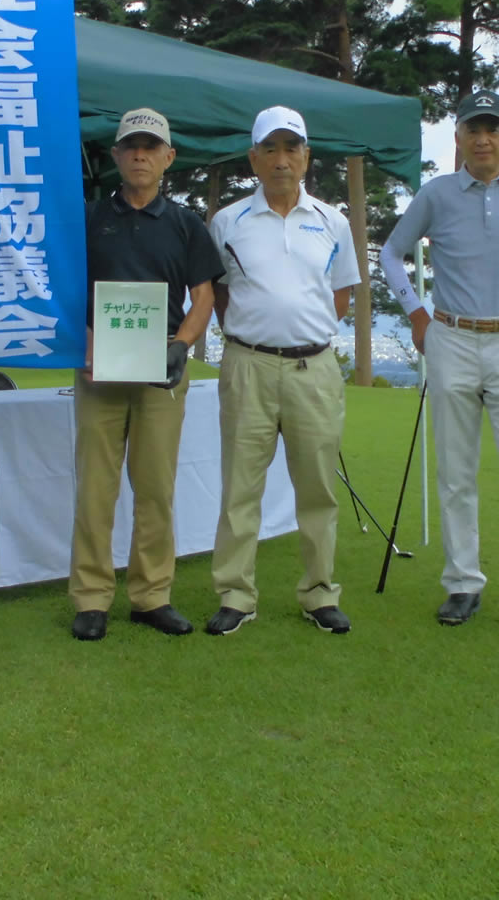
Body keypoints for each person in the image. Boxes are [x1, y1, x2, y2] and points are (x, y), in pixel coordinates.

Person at [379, 90, 499, 637]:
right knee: (455, 470)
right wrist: (416, 312)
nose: (482, 139)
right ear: (458, 138)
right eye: (472, 129)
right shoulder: (437, 193)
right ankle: (462, 583)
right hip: (452, 338)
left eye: (493, 129)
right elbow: (391, 252)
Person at [205, 106, 363, 637]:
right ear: (253, 158)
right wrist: (256, 334)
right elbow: (219, 294)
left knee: (317, 487)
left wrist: (300, 332)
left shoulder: (332, 222)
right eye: (269, 149)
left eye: (291, 148)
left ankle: (320, 593)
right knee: (239, 488)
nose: (281, 160)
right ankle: (235, 594)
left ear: (306, 157)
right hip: (247, 365)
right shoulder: (227, 222)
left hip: (313, 368)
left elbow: (338, 296)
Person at [68, 108, 224, 642]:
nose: (140, 154)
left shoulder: (185, 224)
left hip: (161, 367)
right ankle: (91, 598)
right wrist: (84, 339)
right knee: (96, 487)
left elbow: (203, 296)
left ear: (168, 157)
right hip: (98, 367)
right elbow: (64, 287)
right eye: (131, 146)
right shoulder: (88, 218)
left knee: (156, 488)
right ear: (116, 155)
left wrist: (182, 346)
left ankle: (151, 595)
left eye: (151, 147)